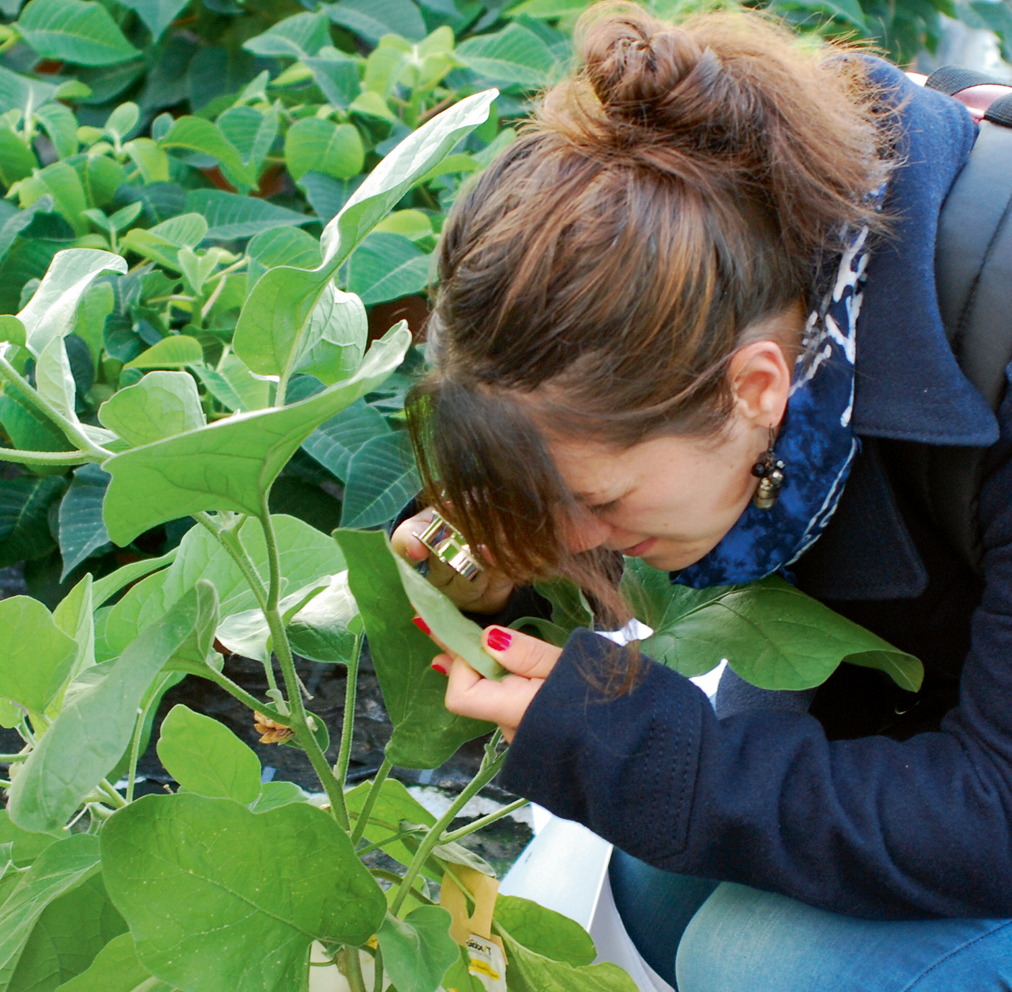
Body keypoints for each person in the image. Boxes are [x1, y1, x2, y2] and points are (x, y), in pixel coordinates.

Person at [391, 4, 1012, 988]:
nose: (570, 542)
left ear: (755, 387)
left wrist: (649, 759)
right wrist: (497, 574)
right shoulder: (760, 251)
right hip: (955, 689)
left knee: (763, 960)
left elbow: (997, 811)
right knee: (651, 880)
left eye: (592, 499)